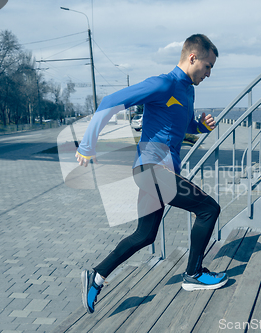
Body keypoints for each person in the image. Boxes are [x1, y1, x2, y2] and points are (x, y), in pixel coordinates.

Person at [75, 34, 227, 314]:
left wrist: (201, 126)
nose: (209, 73)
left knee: (144, 235)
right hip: (151, 170)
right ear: (193, 58)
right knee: (209, 209)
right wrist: (87, 145)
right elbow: (110, 101)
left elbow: (181, 126)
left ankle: (95, 276)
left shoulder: (188, 91)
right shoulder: (164, 83)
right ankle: (193, 274)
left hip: (156, 173)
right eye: (207, 66)